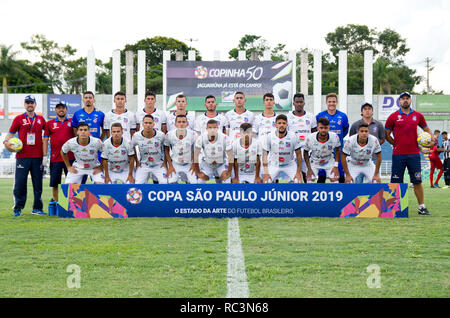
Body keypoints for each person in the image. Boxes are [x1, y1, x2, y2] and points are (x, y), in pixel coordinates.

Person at [384, 91, 434, 215]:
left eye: (407, 98)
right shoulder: (393, 116)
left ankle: (421, 207)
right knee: (396, 182)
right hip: (398, 155)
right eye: (403, 99)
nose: (405, 100)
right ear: (399, 101)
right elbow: (386, 134)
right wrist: (395, 144)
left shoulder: (418, 116)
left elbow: (427, 130)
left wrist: (432, 140)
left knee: (417, 181)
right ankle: (395, 207)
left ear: (410, 100)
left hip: (414, 155)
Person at [4, 95, 46, 216]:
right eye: (27, 103)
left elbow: (48, 134)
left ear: (35, 104)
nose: (30, 105)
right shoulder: (18, 119)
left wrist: (44, 155)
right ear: (24, 104)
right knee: (20, 183)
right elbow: (9, 135)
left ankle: (37, 208)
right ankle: (18, 208)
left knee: (38, 184)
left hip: (37, 157)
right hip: (22, 157)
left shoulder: (41, 119)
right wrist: (6, 143)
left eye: (31, 103)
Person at [42, 102, 75, 204]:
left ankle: (72, 204)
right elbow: (45, 140)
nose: (61, 110)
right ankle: (57, 203)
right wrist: (44, 156)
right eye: (59, 108)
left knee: (72, 183)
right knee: (55, 183)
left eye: (63, 108)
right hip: (55, 158)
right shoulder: (49, 123)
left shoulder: (72, 122)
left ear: (66, 110)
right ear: (55, 110)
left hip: (70, 157)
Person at [315, 93, 349, 183]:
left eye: (333, 101)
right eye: (329, 101)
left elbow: (345, 130)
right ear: (326, 102)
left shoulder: (343, 116)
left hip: (338, 149)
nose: (331, 103)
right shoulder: (320, 116)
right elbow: (316, 130)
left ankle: (342, 194)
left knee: (340, 174)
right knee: (322, 175)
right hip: (324, 149)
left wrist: (337, 139)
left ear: (336, 102)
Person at [349, 102, 385, 183]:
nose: (367, 111)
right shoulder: (355, 125)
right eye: (365, 109)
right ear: (361, 112)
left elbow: (382, 139)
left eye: (369, 109)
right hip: (358, 160)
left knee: (374, 184)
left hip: (374, 159)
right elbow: (351, 140)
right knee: (357, 184)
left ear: (372, 111)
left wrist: (372, 147)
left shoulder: (378, 124)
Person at [262, 114, 303, 183]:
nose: (281, 125)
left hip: (289, 165)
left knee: (298, 181)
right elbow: (265, 155)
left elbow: (299, 155)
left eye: (284, 123)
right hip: (274, 165)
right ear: (275, 125)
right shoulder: (269, 136)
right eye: (279, 123)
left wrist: (298, 173)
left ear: (287, 125)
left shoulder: (293, 136)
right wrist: (266, 173)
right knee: (266, 182)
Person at [287, 93, 317, 182]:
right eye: (297, 102)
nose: (299, 104)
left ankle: (308, 193)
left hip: (306, 152)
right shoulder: (288, 117)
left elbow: (314, 133)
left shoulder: (311, 116)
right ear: (293, 103)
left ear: (304, 103)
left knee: (307, 177)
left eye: (301, 102)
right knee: (293, 179)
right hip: (292, 152)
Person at [132, 114, 168, 184]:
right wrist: (137, 161)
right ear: (142, 124)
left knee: (164, 183)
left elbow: (166, 148)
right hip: (144, 165)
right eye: (146, 123)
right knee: (138, 184)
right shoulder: (136, 136)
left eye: (150, 123)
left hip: (158, 165)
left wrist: (165, 162)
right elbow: (132, 148)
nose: (148, 125)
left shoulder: (161, 135)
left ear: (153, 124)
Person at [303, 117, 341, 183]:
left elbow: (338, 149)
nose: (323, 130)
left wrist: (335, 166)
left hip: (329, 160)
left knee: (335, 180)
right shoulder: (310, 138)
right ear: (317, 128)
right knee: (309, 181)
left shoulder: (334, 137)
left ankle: (332, 193)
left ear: (329, 128)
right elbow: (305, 152)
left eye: (326, 128)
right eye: (321, 128)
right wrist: (309, 168)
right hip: (314, 161)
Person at [164, 114, 198, 184]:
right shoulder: (169, 135)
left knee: (194, 183)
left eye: (183, 122)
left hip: (189, 163)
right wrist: (170, 165)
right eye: (179, 122)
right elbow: (166, 150)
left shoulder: (193, 134)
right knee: (171, 183)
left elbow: (196, 150)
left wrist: (194, 164)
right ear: (175, 124)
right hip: (175, 163)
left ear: (187, 124)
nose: (181, 124)